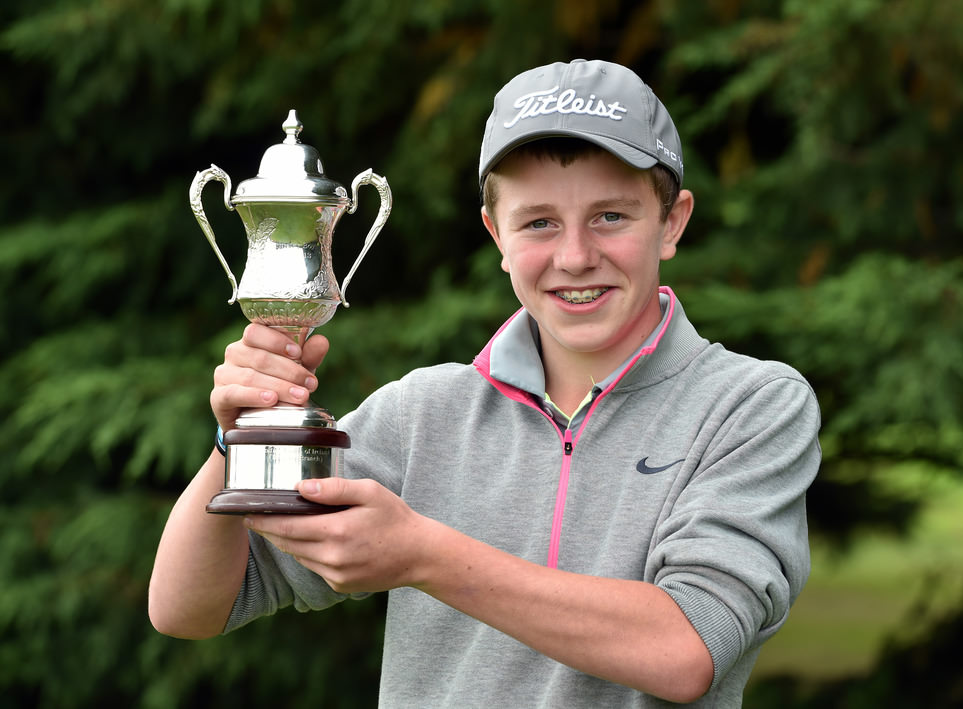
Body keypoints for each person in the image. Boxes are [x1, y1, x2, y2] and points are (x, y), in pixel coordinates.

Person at [149, 59, 821, 707]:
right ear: (496, 235)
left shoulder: (751, 405)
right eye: (538, 223)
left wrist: (421, 553)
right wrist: (233, 443)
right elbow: (189, 607)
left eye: (611, 216)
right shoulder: (422, 413)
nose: (575, 256)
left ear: (670, 222)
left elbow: (685, 649)